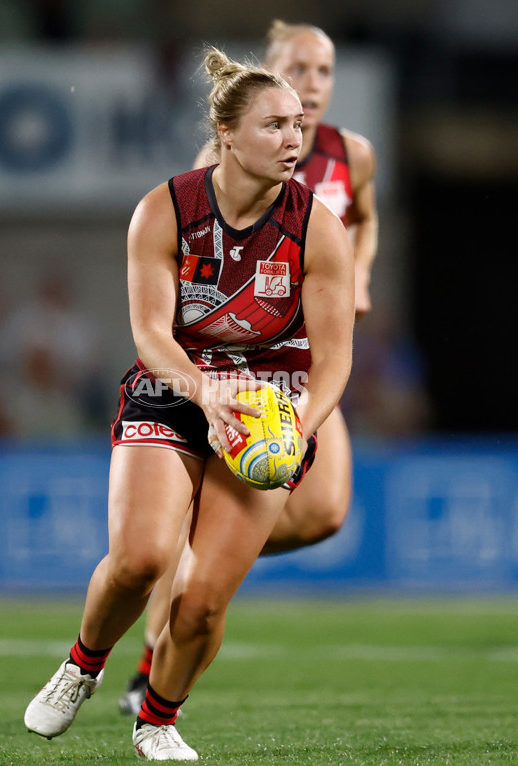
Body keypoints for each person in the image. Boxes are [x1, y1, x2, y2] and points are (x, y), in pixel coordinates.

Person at [24, 46, 355, 761]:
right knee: (141, 559)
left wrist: (299, 424)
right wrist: (206, 392)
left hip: (269, 401)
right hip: (177, 387)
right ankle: (81, 666)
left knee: (203, 598)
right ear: (227, 133)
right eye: (274, 125)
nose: (293, 139)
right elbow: (150, 336)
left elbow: (334, 360)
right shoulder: (165, 209)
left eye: (298, 125)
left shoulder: (316, 227)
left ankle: (158, 718)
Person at [119, 19, 378, 715]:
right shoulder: (231, 158)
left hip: (310, 358)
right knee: (214, 554)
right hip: (242, 362)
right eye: (300, 68)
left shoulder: (353, 154)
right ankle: (160, 638)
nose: (314, 84)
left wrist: (361, 271)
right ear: (272, 71)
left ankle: (201, 550)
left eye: (325, 71)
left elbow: (366, 218)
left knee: (324, 513)